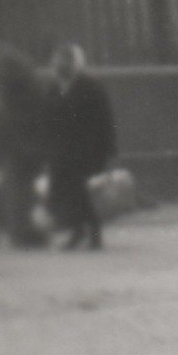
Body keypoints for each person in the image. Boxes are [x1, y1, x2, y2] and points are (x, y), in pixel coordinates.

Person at [43, 45, 116, 250]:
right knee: (66, 191)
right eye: (55, 61)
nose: (57, 65)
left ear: (73, 63)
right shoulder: (54, 87)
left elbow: (105, 119)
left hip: (87, 149)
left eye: (62, 61)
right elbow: (47, 117)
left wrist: (108, 150)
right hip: (60, 149)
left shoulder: (91, 86)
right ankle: (77, 229)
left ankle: (92, 231)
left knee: (81, 191)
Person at [0, 51, 50, 248]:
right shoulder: (14, 64)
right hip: (20, 138)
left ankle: (22, 230)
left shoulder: (7, 66)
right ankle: (23, 230)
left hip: (14, 138)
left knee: (16, 184)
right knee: (19, 185)